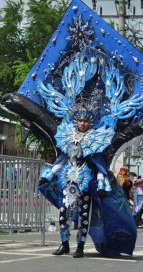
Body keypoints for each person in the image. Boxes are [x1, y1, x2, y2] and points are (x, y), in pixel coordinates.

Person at [39, 110, 108, 258]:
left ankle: (80, 247)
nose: (83, 123)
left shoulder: (95, 139)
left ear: (90, 123)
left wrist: (102, 185)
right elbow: (63, 159)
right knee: (63, 213)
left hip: (85, 183)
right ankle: (64, 244)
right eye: (80, 120)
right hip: (69, 181)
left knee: (84, 215)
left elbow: (99, 166)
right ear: (76, 122)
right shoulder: (68, 137)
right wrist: (49, 176)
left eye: (86, 121)